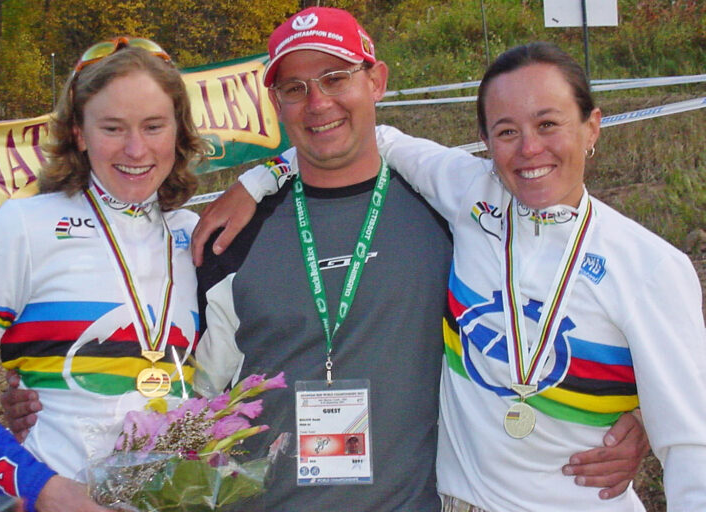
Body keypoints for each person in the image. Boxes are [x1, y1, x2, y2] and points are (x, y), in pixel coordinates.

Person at [4, 9, 647, 511]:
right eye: (295, 87)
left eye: (337, 78)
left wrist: (632, 412)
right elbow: (174, 377)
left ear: (377, 80)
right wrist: (48, 394)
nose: (319, 103)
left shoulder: (455, 216)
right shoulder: (228, 233)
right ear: (276, 104)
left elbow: (549, 316)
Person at [208, 38, 706, 509]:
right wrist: (261, 177)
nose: (529, 148)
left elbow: (693, 448)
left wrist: (643, 414)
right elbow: (364, 134)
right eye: (507, 131)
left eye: (549, 123)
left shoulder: (650, 267)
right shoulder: (470, 195)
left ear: (592, 126)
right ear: (485, 142)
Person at [0, 37, 207, 511]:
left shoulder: (198, 236)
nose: (135, 148)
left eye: (153, 126)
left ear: (179, 131)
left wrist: (261, 178)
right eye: (112, 127)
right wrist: (42, 489)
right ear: (79, 133)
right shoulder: (21, 226)